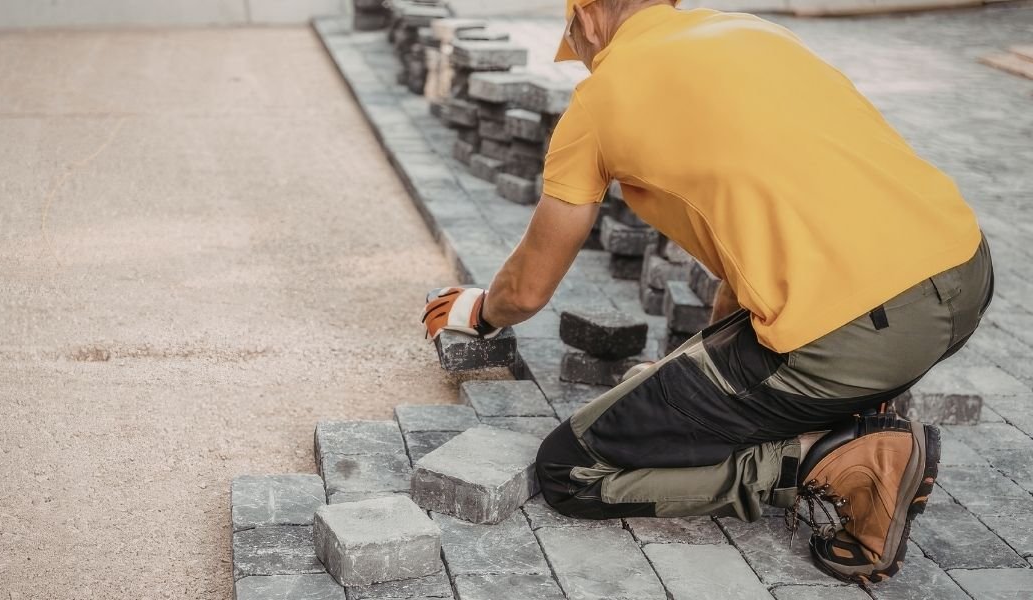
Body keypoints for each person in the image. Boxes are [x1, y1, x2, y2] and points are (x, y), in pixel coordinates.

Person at [421, 0, 993, 586]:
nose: (585, 59)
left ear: (587, 18)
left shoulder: (600, 100)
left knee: (569, 471)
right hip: (964, 273)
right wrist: (692, 370)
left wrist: (479, 311)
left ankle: (825, 463)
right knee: (726, 379)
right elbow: (758, 252)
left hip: (853, 335)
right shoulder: (752, 31)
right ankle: (851, 403)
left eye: (577, 43)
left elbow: (526, 291)